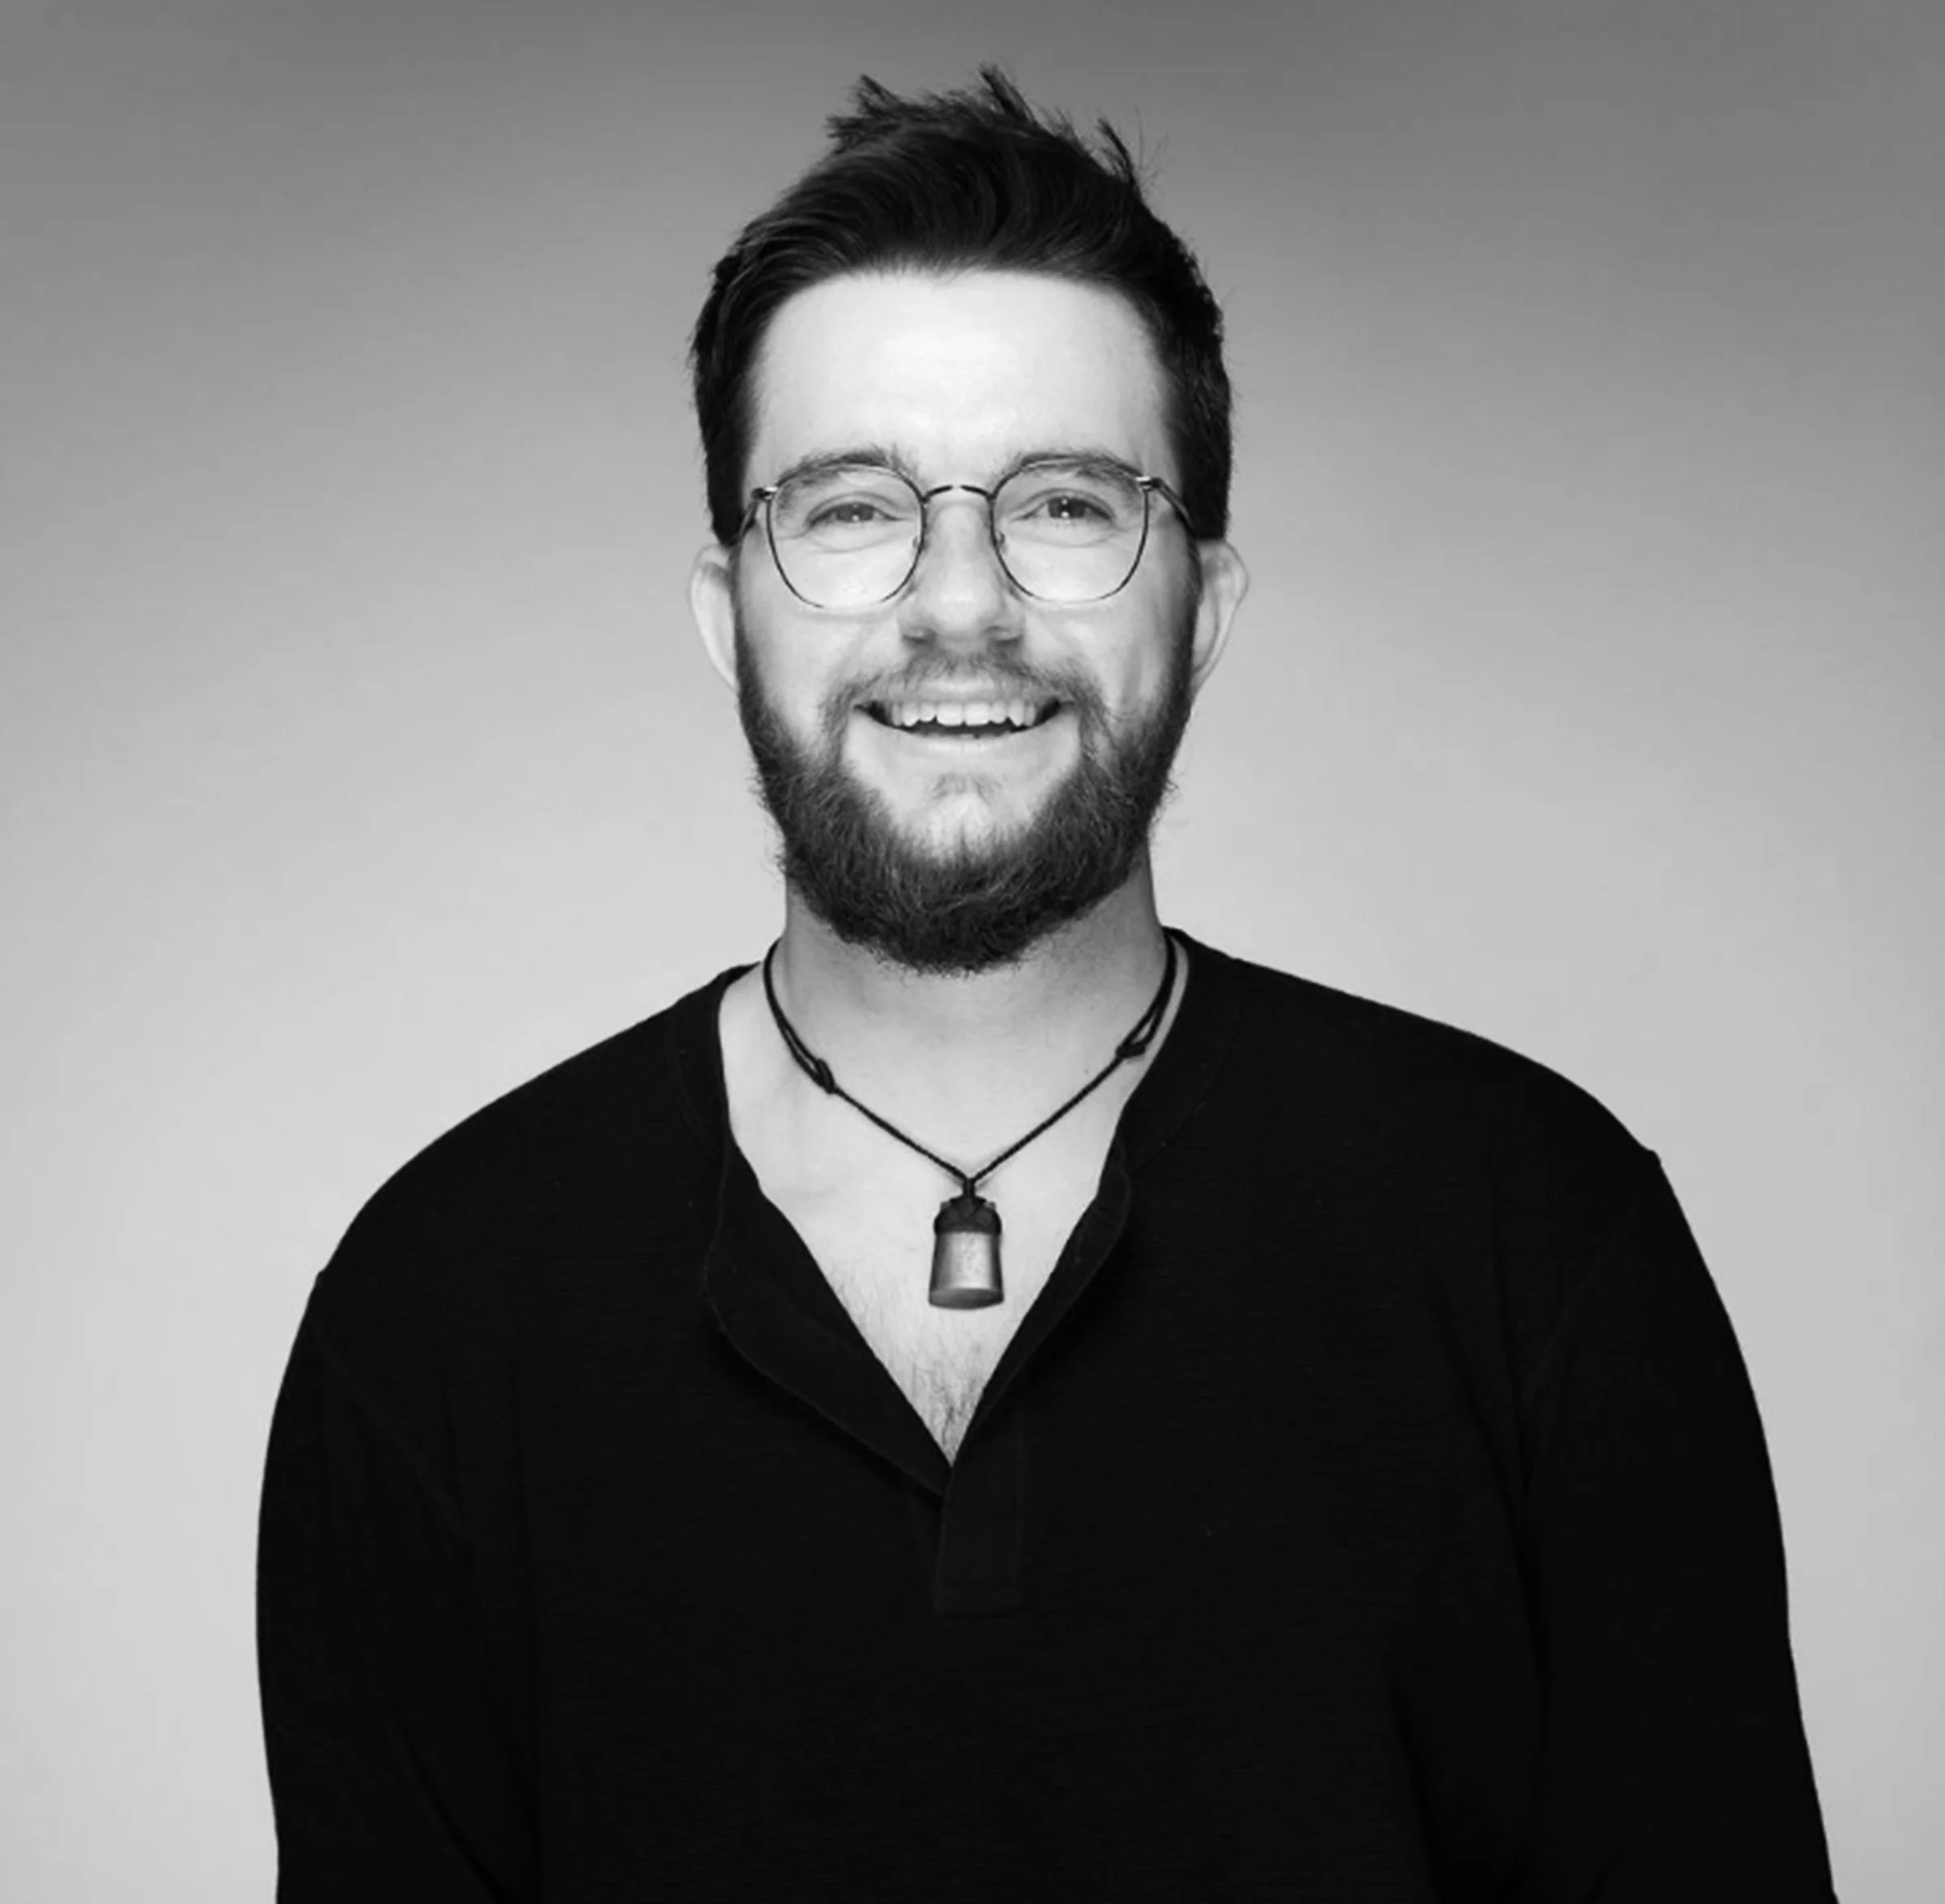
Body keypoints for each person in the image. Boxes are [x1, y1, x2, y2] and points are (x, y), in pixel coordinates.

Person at [256, 70, 1838, 1901]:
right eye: (851, 509)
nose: (959, 603)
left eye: (1067, 505)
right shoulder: (436, 1314)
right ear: (727, 608)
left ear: (1207, 599)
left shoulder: (1542, 1245)